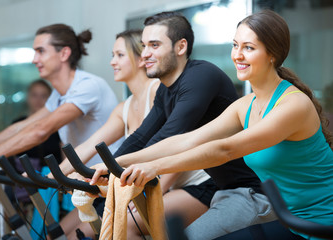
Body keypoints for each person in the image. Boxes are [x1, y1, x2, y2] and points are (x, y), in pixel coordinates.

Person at [113, 9, 333, 240]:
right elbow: (188, 139)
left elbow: (224, 149)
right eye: (235, 45)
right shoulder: (246, 106)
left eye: (248, 47)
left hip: (322, 222)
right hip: (292, 221)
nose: (237, 55)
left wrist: (155, 168)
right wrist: (117, 163)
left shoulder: (293, 105)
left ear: (272, 54)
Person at [90, 12, 275, 240]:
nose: (145, 54)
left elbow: (174, 136)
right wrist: (108, 164)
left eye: (154, 45)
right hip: (226, 191)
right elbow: (141, 137)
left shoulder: (201, 76)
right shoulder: (166, 90)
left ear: (180, 47)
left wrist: (117, 165)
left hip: (253, 192)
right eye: (144, 45)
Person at [56, 29, 160, 239]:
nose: (113, 62)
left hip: (158, 187)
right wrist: (52, 175)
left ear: (141, 59)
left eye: (120, 55)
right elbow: (89, 145)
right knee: (58, 232)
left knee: (81, 234)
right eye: (113, 55)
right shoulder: (125, 106)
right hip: (131, 188)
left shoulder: (157, 91)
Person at [0, 23, 120, 169]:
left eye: (41, 51)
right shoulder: (59, 94)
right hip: (86, 180)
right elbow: (20, 127)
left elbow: (40, 130)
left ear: (64, 53)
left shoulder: (87, 86)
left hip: (108, 179)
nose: (34, 59)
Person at [6, 79, 61, 219]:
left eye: (43, 96)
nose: (38, 100)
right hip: (21, 181)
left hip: (52, 182)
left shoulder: (58, 126)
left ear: (50, 99)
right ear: (28, 97)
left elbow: (63, 154)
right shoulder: (17, 124)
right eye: (34, 95)